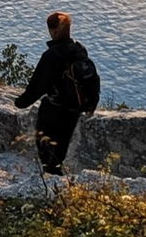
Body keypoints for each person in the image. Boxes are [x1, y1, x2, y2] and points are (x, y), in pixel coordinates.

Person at [13, 11, 96, 174]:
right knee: (60, 149)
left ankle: (50, 183)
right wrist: (92, 102)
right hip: (74, 110)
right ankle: (57, 178)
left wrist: (20, 103)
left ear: (54, 31)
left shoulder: (51, 56)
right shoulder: (79, 49)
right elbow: (90, 79)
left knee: (45, 148)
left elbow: (37, 86)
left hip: (54, 110)